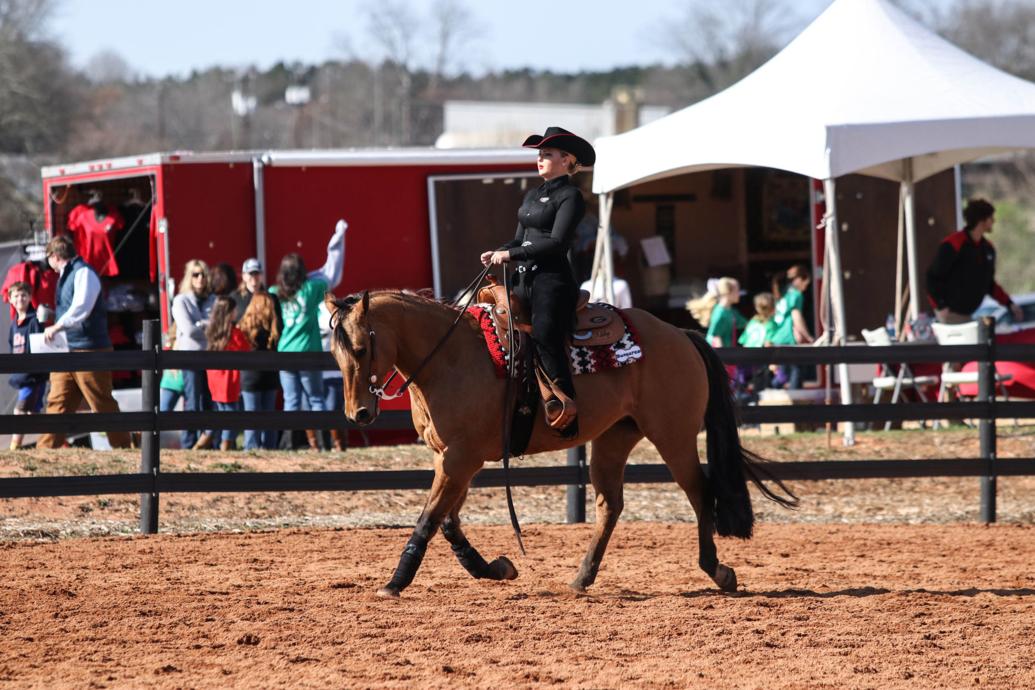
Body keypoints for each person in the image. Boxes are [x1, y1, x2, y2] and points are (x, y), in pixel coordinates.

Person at [480, 126, 595, 436]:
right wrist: (500, 251)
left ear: (566, 159)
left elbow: (557, 242)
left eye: (547, 154)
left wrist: (513, 254)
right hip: (523, 277)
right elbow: (519, 238)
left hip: (552, 279)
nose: (540, 159)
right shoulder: (533, 194)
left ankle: (565, 410)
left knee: (544, 335)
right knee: (489, 323)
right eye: (540, 154)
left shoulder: (571, 196)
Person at [37, 235, 131, 449]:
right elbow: (74, 310)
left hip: (90, 350)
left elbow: (81, 308)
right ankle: (45, 452)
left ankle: (124, 448)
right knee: (57, 402)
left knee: (101, 403)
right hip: (68, 350)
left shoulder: (84, 273)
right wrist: (56, 318)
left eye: (48, 257)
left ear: (54, 255)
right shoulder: (68, 275)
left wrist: (57, 325)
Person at [269, 219, 348, 450]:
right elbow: (329, 273)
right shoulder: (312, 288)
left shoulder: (275, 292)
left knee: (291, 402)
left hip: (285, 352)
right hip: (307, 352)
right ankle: (324, 446)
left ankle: (289, 447)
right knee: (316, 399)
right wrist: (338, 238)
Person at [926, 198, 1023, 325]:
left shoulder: (988, 248)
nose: (994, 221)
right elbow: (932, 277)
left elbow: (989, 284)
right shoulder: (954, 244)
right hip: (950, 314)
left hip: (968, 314)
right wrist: (940, 305)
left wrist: (1009, 303)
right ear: (982, 220)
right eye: (991, 217)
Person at [171, 259, 215, 449]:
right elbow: (188, 330)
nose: (200, 278)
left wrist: (201, 325)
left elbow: (220, 326)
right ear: (189, 277)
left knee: (208, 401)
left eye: (203, 274)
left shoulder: (213, 299)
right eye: (196, 274)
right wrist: (206, 324)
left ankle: (206, 444)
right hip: (189, 356)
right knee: (192, 401)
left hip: (210, 356)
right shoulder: (181, 300)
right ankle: (188, 444)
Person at [204, 295, 249, 451]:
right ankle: (225, 448)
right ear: (229, 312)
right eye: (234, 309)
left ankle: (202, 443)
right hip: (228, 380)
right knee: (231, 416)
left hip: (215, 380)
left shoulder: (212, 332)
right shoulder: (234, 333)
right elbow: (245, 350)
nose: (237, 312)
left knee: (219, 415)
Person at [238, 292, 281, 451]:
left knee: (252, 416)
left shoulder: (244, 328)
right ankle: (270, 449)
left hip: (249, 376)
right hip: (270, 374)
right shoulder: (274, 329)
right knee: (269, 415)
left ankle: (250, 448)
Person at [6, 282, 46, 450]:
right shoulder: (14, 324)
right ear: (10, 299)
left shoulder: (34, 320)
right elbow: (12, 346)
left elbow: (39, 346)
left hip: (33, 376)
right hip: (21, 375)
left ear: (30, 297)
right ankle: (48, 440)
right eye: (15, 296)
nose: (20, 299)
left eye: (23, 295)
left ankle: (15, 446)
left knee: (20, 410)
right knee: (33, 414)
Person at [769, 264, 813, 389]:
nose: (805, 288)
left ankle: (772, 389)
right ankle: (795, 400)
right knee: (797, 369)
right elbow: (796, 317)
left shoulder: (783, 293)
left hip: (777, 337)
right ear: (799, 279)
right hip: (788, 337)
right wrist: (808, 336)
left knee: (783, 373)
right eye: (806, 284)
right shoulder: (796, 295)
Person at [318, 299, 347, 451]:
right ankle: (320, 445)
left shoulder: (331, 309)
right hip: (317, 372)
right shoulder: (312, 309)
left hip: (333, 373)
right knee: (320, 410)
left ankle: (338, 444)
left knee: (333, 410)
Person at [234, 257, 267, 322]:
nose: (254, 277)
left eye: (256, 273)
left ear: (262, 275)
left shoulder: (270, 298)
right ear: (244, 276)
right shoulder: (235, 298)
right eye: (251, 273)